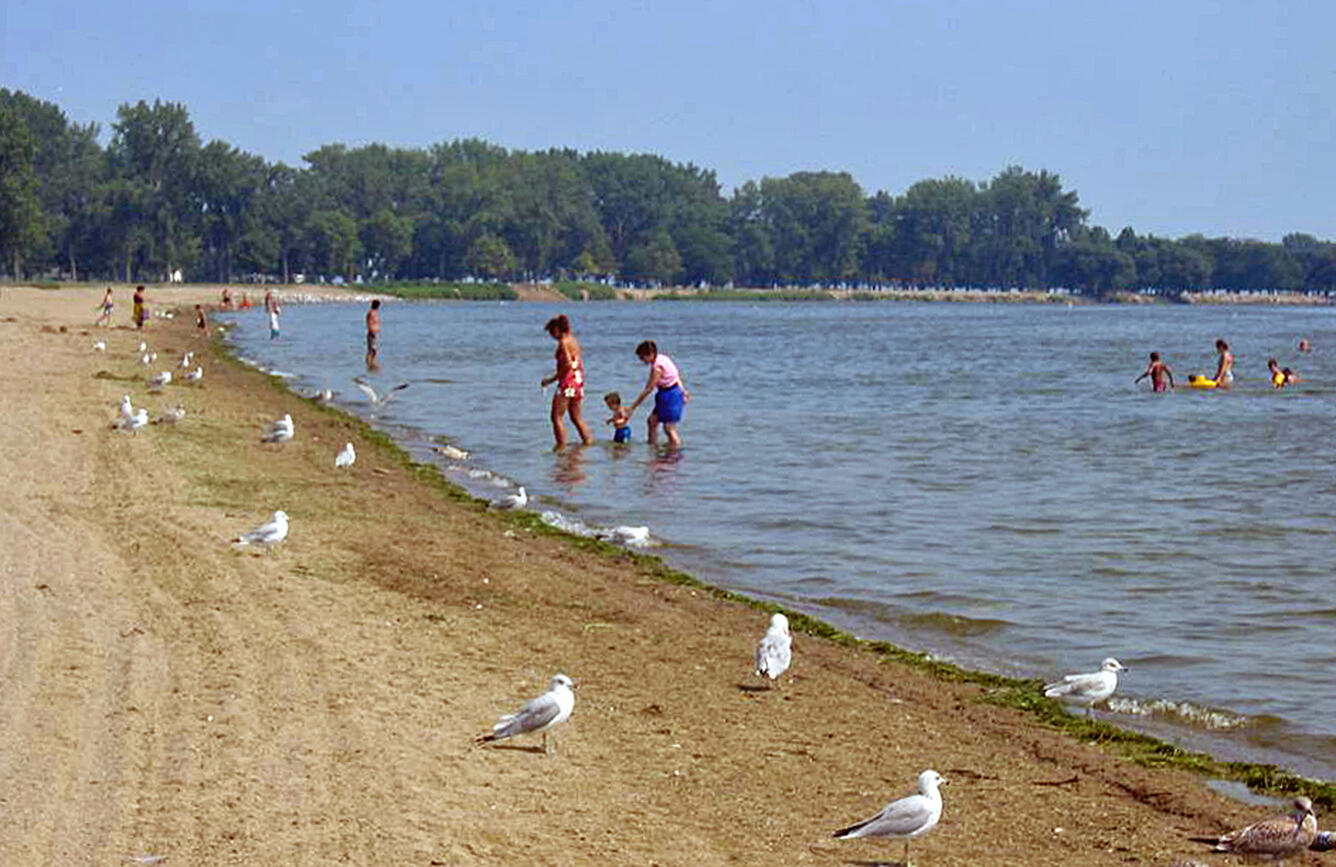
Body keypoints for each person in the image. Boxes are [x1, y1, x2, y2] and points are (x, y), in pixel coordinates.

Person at [539, 314, 593, 449]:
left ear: (557, 329)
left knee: (556, 417)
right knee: (577, 418)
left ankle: (561, 447)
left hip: (568, 382)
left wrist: (550, 380)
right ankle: (588, 443)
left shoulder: (563, 342)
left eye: (552, 332)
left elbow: (568, 365)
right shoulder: (574, 340)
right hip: (578, 380)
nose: (552, 336)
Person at [628, 340, 691, 447]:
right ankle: (652, 447)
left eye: (642, 357)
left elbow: (649, 388)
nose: (641, 360)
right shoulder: (663, 358)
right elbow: (676, 375)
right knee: (652, 421)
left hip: (670, 396)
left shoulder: (657, 367)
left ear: (650, 354)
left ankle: (675, 452)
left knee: (668, 427)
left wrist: (632, 407)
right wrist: (683, 390)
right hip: (667, 393)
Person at [365, 299, 381, 370]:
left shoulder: (375, 312)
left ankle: (372, 363)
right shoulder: (371, 312)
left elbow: (376, 322)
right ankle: (369, 364)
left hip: (374, 333)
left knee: (374, 350)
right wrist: (372, 331)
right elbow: (369, 323)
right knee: (371, 350)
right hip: (371, 333)